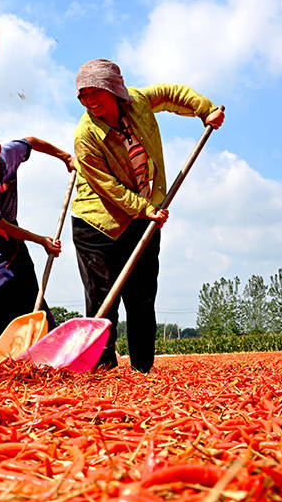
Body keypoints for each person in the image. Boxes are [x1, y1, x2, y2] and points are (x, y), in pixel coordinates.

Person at [71, 58, 225, 373]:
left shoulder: (138, 102)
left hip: (143, 217)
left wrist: (204, 109)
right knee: (103, 300)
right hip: (97, 223)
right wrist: (146, 208)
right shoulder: (85, 136)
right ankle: (103, 370)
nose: (90, 102)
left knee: (141, 298)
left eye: (95, 93)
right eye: (83, 96)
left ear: (113, 89)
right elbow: (108, 187)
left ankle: (142, 370)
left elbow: (171, 94)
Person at [0, 127, 75, 368]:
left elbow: (31, 141)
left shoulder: (10, 154)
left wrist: (65, 157)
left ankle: (51, 348)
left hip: (12, 230)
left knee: (29, 288)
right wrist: (40, 240)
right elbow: (0, 225)